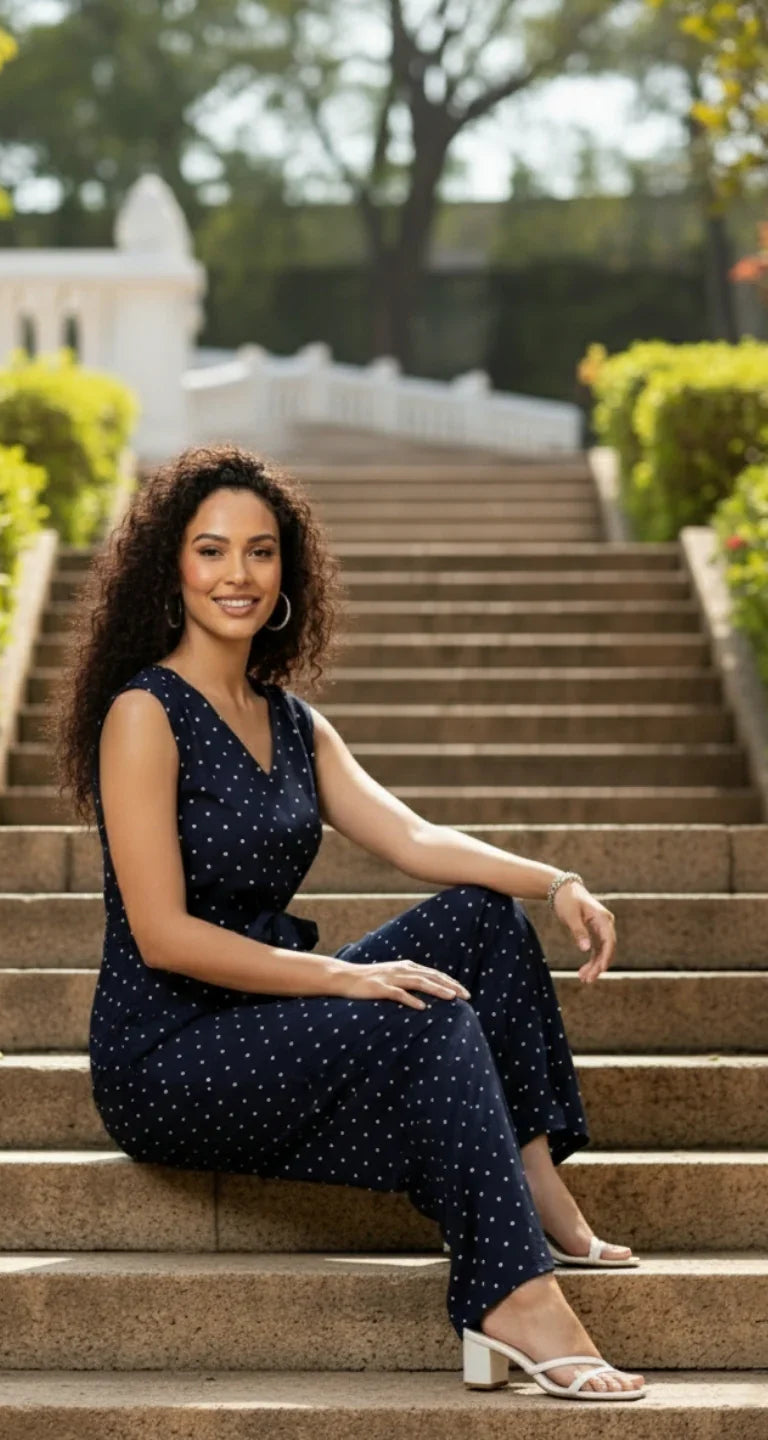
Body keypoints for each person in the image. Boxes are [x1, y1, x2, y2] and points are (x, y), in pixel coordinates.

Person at [52, 444, 647, 1401]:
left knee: (479, 921)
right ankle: (513, 1298)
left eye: (259, 551)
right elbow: (162, 934)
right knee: (425, 1011)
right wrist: (344, 977)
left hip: (268, 1018)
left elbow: (409, 835)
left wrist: (556, 881)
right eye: (210, 552)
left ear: (289, 571)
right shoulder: (144, 714)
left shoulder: (289, 720)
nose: (236, 576)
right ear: (172, 566)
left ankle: (534, 1184)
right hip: (168, 1051)